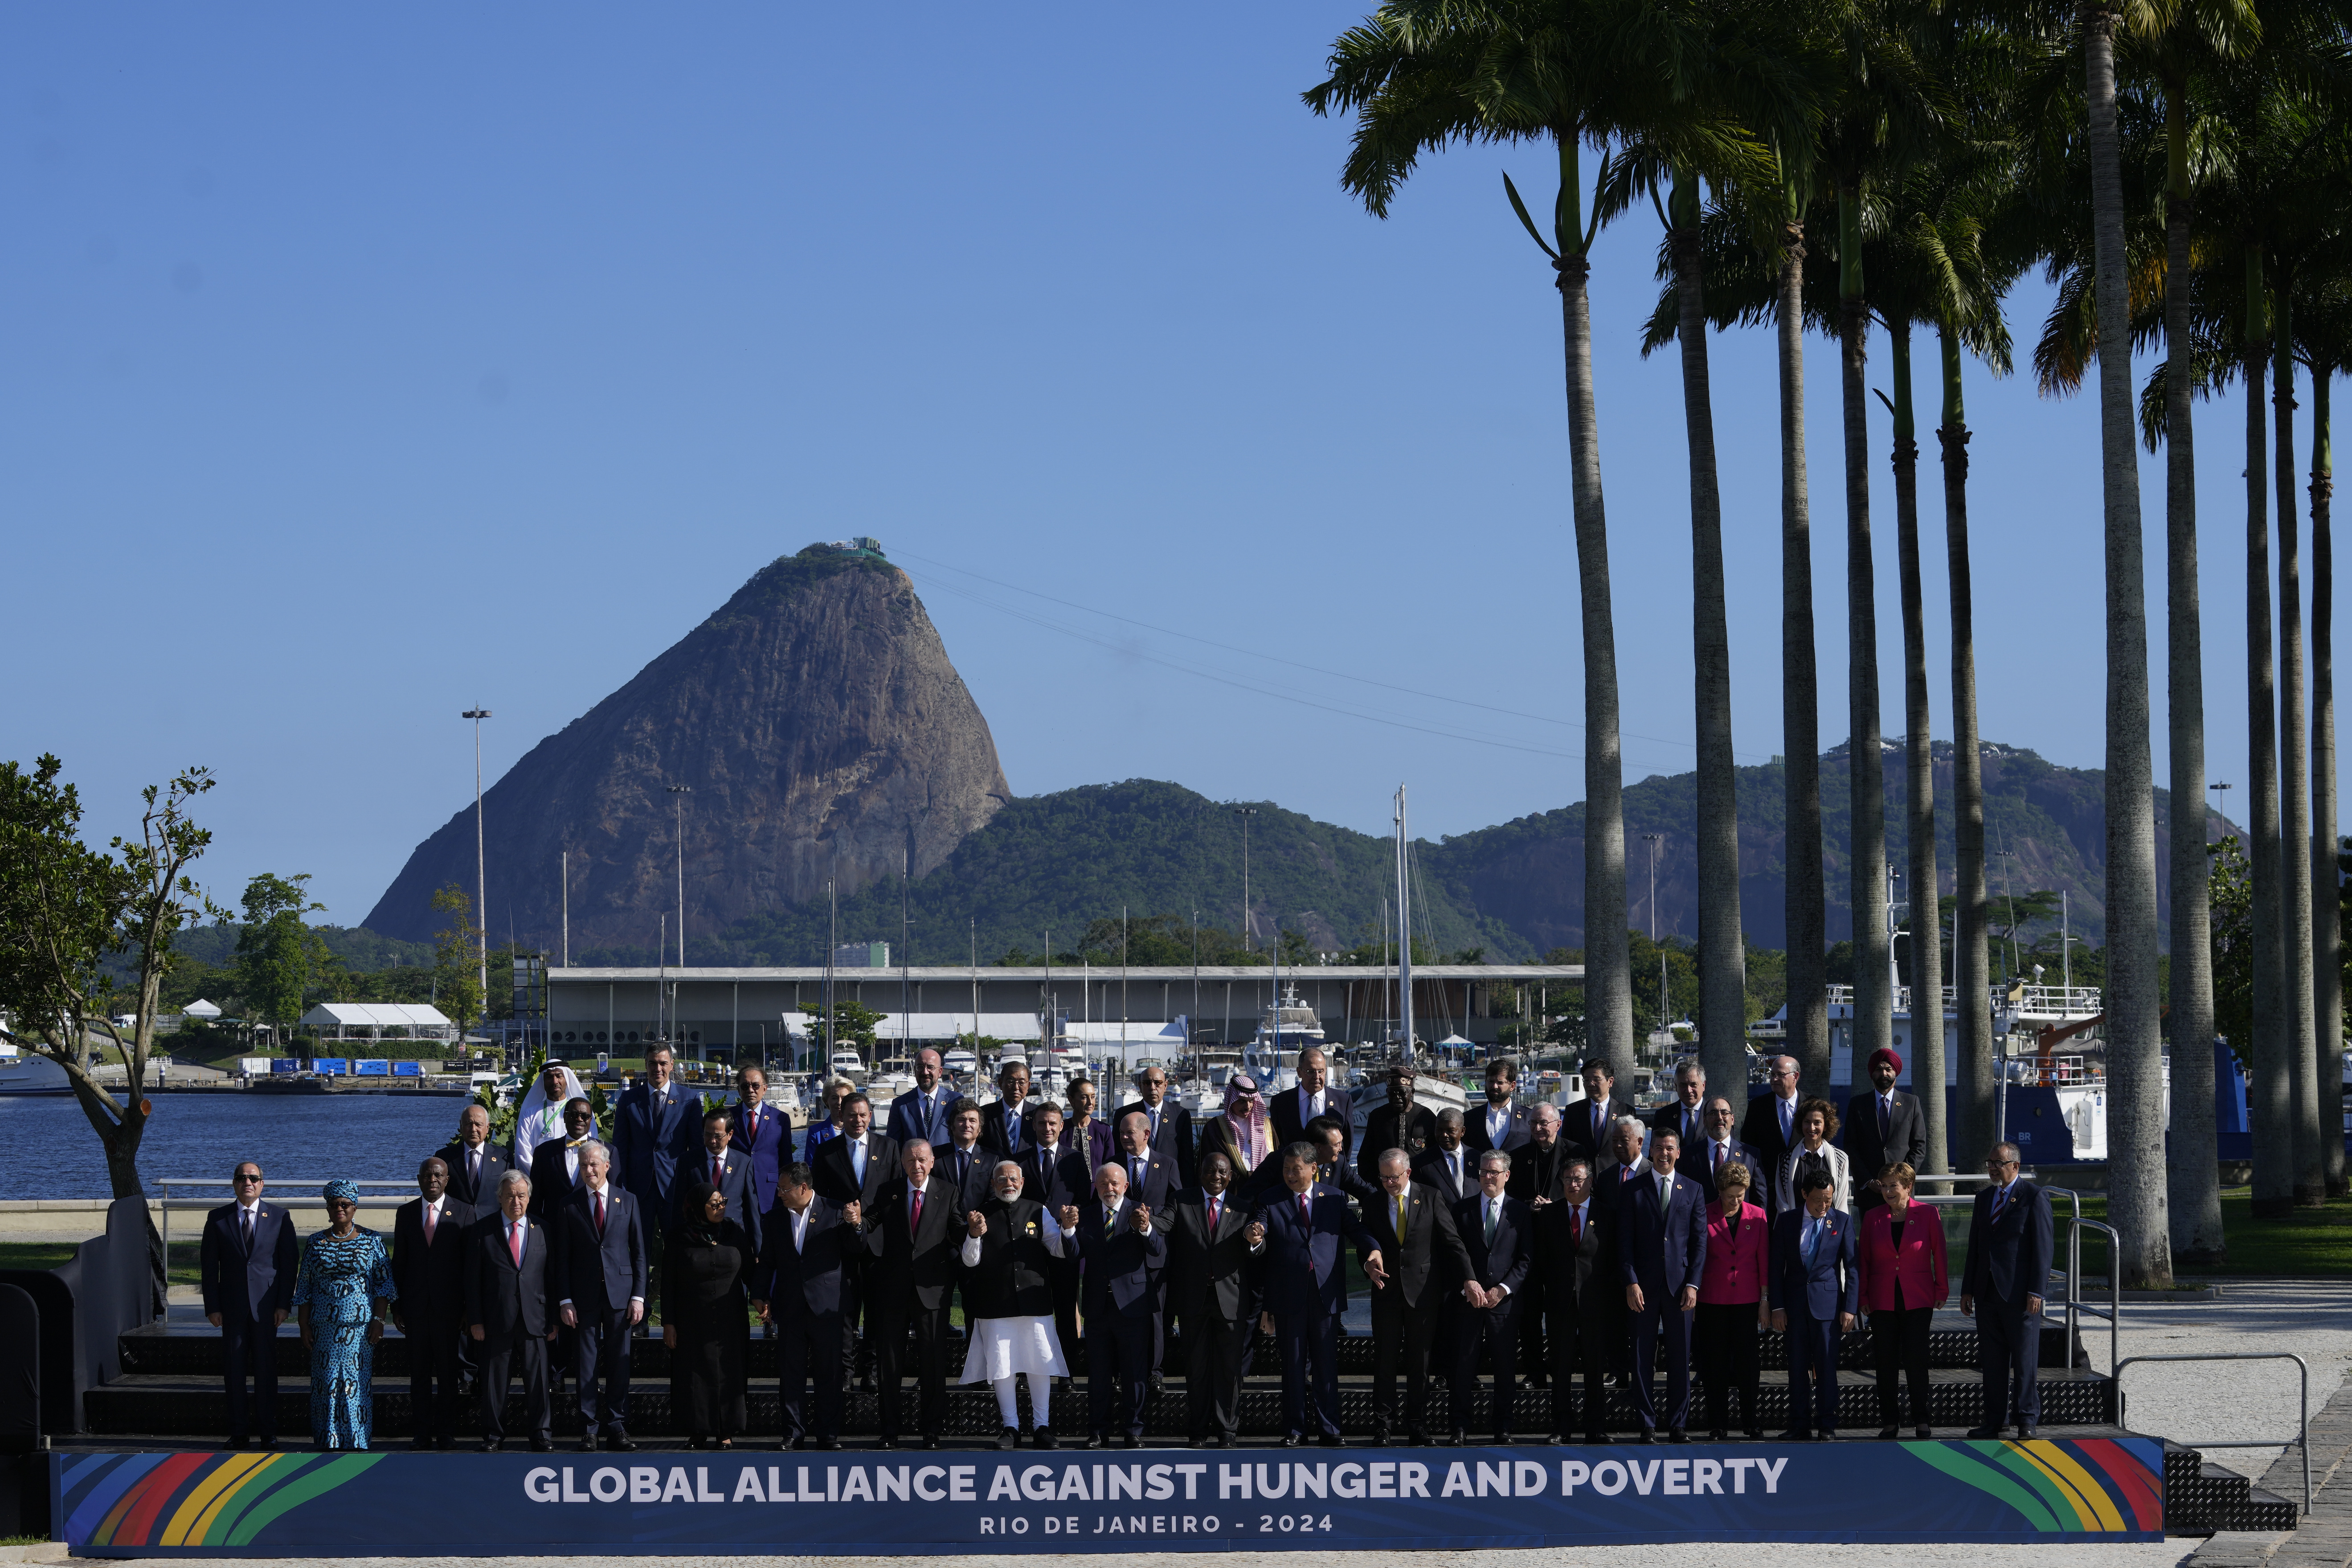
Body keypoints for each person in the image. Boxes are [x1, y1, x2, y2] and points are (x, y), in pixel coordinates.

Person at [1246, 1143, 1380, 1449]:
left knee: (1325, 1365)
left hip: (1325, 1294)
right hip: (1287, 1295)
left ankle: (1330, 1428)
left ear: (1313, 1168)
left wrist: (1373, 1249)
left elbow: (1355, 1229)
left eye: (1296, 1168)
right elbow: (1258, 1229)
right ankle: (1295, 1428)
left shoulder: (1333, 1198)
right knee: (1293, 1365)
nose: (1290, 1174)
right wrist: (1253, 1235)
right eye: (1286, 1169)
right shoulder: (1270, 1197)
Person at [1361, 1147, 1471, 1445]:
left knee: (1419, 1365)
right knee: (1384, 1362)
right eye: (1383, 1177)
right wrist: (1367, 1263)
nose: (1388, 1183)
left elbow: (1452, 1241)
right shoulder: (1372, 1202)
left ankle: (1416, 1424)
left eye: (1393, 1177)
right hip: (1385, 1292)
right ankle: (1383, 1426)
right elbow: (1364, 1242)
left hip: (1422, 1295)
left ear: (1407, 1172)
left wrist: (1469, 1277)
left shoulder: (1431, 1197)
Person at [957, 1161, 1070, 1449]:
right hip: (996, 1304)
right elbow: (970, 1260)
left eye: (1013, 1178)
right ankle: (1011, 1427)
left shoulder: (1038, 1210)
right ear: (994, 1184)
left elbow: (1057, 1248)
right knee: (1002, 1366)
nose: (1008, 1182)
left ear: (1022, 1181)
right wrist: (973, 1234)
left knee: (1039, 1363)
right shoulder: (981, 1214)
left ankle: (1041, 1427)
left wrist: (1067, 1229)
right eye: (1002, 1179)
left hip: (1035, 1303)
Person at [751, 1162, 860, 1451]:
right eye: (778, 1188)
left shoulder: (836, 1210)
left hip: (827, 1307)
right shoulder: (774, 1218)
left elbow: (856, 1249)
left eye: (784, 1189)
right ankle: (793, 1433)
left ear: (803, 1187)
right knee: (791, 1375)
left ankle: (828, 1434)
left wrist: (855, 1224)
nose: (779, 1194)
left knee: (829, 1373)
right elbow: (767, 1259)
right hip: (790, 1307)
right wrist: (759, 1294)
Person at [862, 1140, 959, 1449]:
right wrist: (855, 1221)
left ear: (932, 1162)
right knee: (889, 1365)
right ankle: (890, 1430)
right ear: (902, 1163)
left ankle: (931, 1430)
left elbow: (958, 1231)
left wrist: (973, 1230)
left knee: (933, 1364)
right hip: (893, 1290)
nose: (916, 1165)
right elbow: (869, 1222)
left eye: (922, 1160)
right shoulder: (887, 1191)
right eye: (910, 1160)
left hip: (932, 1290)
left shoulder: (948, 1192)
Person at [552, 1140, 646, 1452]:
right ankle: (589, 1428)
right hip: (583, 1299)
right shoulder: (569, 1204)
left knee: (620, 1363)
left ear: (607, 1166)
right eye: (583, 1165)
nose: (588, 1170)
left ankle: (617, 1426)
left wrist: (639, 1296)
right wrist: (565, 1299)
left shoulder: (628, 1200)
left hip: (621, 1297)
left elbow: (639, 1255)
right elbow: (561, 1258)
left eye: (593, 1164)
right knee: (586, 1365)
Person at [290, 1179, 396, 1450]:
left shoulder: (372, 1240)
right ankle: (329, 1441)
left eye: (345, 1204)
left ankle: (357, 1442)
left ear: (355, 1207)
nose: (340, 1208)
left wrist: (379, 1321)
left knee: (356, 1385)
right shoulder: (315, 1242)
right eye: (334, 1204)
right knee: (326, 1385)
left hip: (360, 1329)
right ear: (327, 1208)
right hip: (324, 1328)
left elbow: (384, 1284)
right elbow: (305, 1286)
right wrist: (303, 1325)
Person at [1066, 1162, 1165, 1449]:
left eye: (1115, 1184)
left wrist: (1145, 1229)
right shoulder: (1085, 1216)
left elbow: (1158, 1250)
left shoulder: (1140, 1211)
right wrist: (1070, 1231)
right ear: (1096, 1187)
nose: (1109, 1189)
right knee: (1098, 1374)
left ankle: (1134, 1431)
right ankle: (1098, 1431)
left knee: (1135, 1373)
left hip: (1133, 1307)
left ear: (1125, 1186)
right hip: (1098, 1307)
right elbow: (1073, 1256)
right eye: (1104, 1184)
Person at [199, 1160, 297, 1450]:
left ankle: (268, 1431)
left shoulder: (279, 1217)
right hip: (231, 1308)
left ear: (262, 1184)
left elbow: (288, 1265)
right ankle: (239, 1431)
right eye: (242, 1178)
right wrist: (212, 1306)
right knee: (234, 1371)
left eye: (253, 1178)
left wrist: (284, 1304)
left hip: (267, 1309)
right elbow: (208, 1267)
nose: (248, 1182)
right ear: (234, 1183)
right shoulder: (218, 1218)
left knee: (266, 1371)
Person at [1166, 1151, 1259, 1448]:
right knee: (1196, 1368)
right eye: (1210, 1171)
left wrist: (1256, 1241)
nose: (1216, 1177)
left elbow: (1255, 1247)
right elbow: (1163, 1224)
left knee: (1230, 1371)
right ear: (1200, 1172)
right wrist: (1145, 1223)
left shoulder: (1244, 1208)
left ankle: (1227, 1430)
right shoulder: (1182, 1200)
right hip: (1193, 1300)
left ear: (1230, 1175)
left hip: (1230, 1302)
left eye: (1222, 1172)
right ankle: (1197, 1430)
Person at [1618, 1129, 1706, 1442]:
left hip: (1680, 1287)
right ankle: (1646, 1422)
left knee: (1680, 1357)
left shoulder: (1693, 1189)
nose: (1664, 1154)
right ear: (1649, 1150)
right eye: (1658, 1148)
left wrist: (1693, 1285)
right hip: (1642, 1287)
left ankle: (1678, 1423)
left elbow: (1699, 1243)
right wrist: (1631, 1282)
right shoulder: (1632, 1189)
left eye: (1669, 1148)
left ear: (1678, 1152)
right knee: (1642, 1357)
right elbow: (1624, 1242)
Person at [1960, 1142, 2053, 1439]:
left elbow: (2043, 1248)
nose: (1991, 1167)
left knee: (2024, 1361)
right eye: (1989, 1162)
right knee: (1992, 1362)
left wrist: (2036, 1290)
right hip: (1987, 1293)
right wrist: (1967, 1290)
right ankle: (1994, 1420)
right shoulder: (1983, 1198)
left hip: (2019, 1295)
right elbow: (1975, 1246)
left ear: (2014, 1166)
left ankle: (2026, 1418)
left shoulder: (2034, 1196)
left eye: (1997, 1163)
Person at [465, 1170, 556, 1452]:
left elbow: (552, 1278)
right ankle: (494, 1435)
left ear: (529, 1198)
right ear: (500, 1198)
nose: (515, 1201)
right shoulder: (482, 1230)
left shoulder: (543, 1229)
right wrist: (476, 1321)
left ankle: (541, 1434)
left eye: (521, 1195)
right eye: (509, 1196)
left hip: (536, 1319)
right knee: (494, 1381)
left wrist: (553, 1320)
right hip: (496, 1319)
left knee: (539, 1381)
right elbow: (472, 1281)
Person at [613, 1045, 702, 1322]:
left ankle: (676, 1315)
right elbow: (620, 1149)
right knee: (639, 1250)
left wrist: (694, 1191)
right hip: (638, 1190)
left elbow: (696, 1149)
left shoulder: (689, 1100)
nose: (658, 1069)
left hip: (675, 1190)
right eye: (653, 1063)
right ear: (646, 1065)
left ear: (672, 1065)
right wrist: (620, 1189)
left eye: (663, 1063)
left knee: (678, 1251)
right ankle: (640, 1312)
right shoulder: (629, 1100)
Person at [1859, 1161, 1948, 1439]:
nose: (1887, 1191)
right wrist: (1863, 1295)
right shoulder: (1872, 1217)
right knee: (1885, 1363)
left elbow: (1940, 1253)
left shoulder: (1928, 1214)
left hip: (1918, 1298)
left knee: (1916, 1360)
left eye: (1893, 1186)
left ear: (1908, 1187)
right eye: (1883, 1186)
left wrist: (1941, 1289)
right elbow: (1863, 1260)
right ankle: (1890, 1421)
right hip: (1882, 1299)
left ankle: (1922, 1419)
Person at [389, 1157, 473, 1449]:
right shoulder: (406, 1212)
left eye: (438, 1175)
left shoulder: (464, 1212)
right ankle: (422, 1431)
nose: (432, 1180)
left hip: (449, 1311)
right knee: (420, 1374)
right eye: (427, 1175)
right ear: (419, 1178)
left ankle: (446, 1431)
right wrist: (396, 1305)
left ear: (447, 1179)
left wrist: (467, 1309)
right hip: (414, 1308)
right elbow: (399, 1261)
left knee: (449, 1375)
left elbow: (469, 1267)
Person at [664, 1178, 753, 1449]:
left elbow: (751, 1271)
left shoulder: (735, 1232)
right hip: (692, 1320)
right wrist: (668, 1323)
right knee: (695, 1375)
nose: (721, 1208)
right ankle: (698, 1430)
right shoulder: (679, 1237)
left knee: (729, 1373)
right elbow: (668, 1283)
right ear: (697, 1207)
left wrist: (762, 1300)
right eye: (714, 1204)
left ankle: (725, 1431)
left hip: (730, 1319)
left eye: (723, 1202)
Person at [1771, 1167, 1858, 1441]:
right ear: (1804, 1194)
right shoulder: (1786, 1222)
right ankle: (1799, 1424)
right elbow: (1776, 1268)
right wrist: (1777, 1307)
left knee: (1826, 1367)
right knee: (1797, 1368)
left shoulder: (1842, 1222)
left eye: (1829, 1200)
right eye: (1819, 1199)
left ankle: (1826, 1425)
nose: (1824, 1205)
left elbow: (1852, 1268)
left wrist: (1850, 1308)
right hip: (1794, 1307)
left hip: (1828, 1307)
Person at [1533, 1157, 1616, 1445]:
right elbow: (1540, 1260)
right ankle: (1562, 1426)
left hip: (1595, 1303)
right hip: (1559, 1302)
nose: (1572, 1184)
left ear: (1590, 1181)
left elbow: (1610, 1261)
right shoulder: (1549, 1215)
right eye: (1567, 1178)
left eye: (1578, 1178)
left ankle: (1595, 1426)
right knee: (1560, 1367)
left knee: (1595, 1367)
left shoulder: (1606, 1215)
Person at [1450, 1150, 1531, 1445]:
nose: (1487, 1176)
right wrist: (1466, 1285)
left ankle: (1503, 1427)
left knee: (1504, 1367)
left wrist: (1503, 1289)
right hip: (1467, 1302)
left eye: (1493, 1172)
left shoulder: (1520, 1212)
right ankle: (1459, 1426)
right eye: (1483, 1171)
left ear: (1506, 1175)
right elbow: (1453, 1254)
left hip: (1504, 1305)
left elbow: (1525, 1260)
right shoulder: (1461, 1210)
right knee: (1463, 1366)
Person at [1693, 1160, 1769, 1441]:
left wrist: (1764, 1300)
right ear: (1720, 1190)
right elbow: (1698, 1259)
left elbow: (1764, 1260)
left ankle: (1751, 1423)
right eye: (1731, 1195)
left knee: (1749, 1365)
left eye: (1741, 1195)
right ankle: (1718, 1424)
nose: (1736, 1201)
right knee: (1715, 1365)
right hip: (1713, 1301)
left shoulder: (1758, 1216)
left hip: (1748, 1301)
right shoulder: (1703, 1214)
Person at [1019, 1102, 1088, 1368]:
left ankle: (1066, 1372)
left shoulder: (1074, 1159)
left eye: (1052, 1124)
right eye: (1041, 1123)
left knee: (1065, 1310)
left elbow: (1085, 1198)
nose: (1047, 1128)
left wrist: (1073, 1215)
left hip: (1064, 1242)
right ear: (1033, 1125)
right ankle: (1029, 1372)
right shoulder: (1020, 1159)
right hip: (1030, 1246)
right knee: (1031, 1312)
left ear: (1062, 1126)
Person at [1506, 1103, 1567, 1384]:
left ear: (1558, 1124)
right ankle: (1535, 1371)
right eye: (1533, 1124)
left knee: (1558, 1313)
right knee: (1529, 1314)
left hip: (1561, 1243)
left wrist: (1554, 1206)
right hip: (1528, 1242)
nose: (1538, 1129)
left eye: (1544, 1123)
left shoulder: (1574, 1153)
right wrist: (1528, 1205)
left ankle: (1560, 1368)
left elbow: (1586, 1192)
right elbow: (1509, 1199)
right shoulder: (1518, 1157)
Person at [1843, 1049, 1927, 1215]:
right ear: (1871, 1074)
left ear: (1896, 1072)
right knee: (1871, 1241)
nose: (1884, 1073)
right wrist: (1868, 1181)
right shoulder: (1858, 1105)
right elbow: (1851, 1147)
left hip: (1902, 1192)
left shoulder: (1911, 1103)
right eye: (1879, 1070)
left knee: (1903, 1240)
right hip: (1869, 1193)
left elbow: (1919, 1146)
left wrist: (1901, 1179)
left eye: (1888, 1069)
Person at [679, 1108, 763, 1251]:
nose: (712, 1141)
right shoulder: (688, 1161)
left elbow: (751, 1209)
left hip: (734, 1240)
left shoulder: (744, 1163)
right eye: (707, 1134)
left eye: (718, 1136)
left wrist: (758, 1249)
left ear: (730, 1135)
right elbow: (679, 1204)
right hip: (698, 1239)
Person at [727, 1064, 794, 1219]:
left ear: (764, 1089)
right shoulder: (728, 1118)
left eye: (756, 1085)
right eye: (745, 1086)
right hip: (737, 1194)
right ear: (739, 1090)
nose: (750, 1090)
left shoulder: (781, 1119)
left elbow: (787, 1161)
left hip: (770, 1195)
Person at [1195, 1073, 1275, 1198]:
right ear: (1231, 1100)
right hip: (1230, 1196)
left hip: (1265, 1193)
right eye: (1242, 1101)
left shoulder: (1267, 1126)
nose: (1248, 1107)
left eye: (1251, 1101)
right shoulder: (1215, 1128)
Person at [1120, 1063, 1200, 1187]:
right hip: (1134, 1186)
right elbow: (1118, 1153)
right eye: (1147, 1083)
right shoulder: (1125, 1114)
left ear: (1165, 1086)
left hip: (1169, 1186)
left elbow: (1187, 1160)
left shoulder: (1180, 1116)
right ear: (1140, 1086)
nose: (1153, 1087)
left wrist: (1187, 1194)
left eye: (1158, 1083)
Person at [1268, 1047, 1350, 1166]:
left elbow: (1347, 1143)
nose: (1317, 1077)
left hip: (1330, 1176)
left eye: (1321, 1071)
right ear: (1299, 1072)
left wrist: (1340, 1171)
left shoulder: (1343, 1101)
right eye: (1311, 1072)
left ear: (1326, 1071)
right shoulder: (1281, 1102)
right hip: (1294, 1176)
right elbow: (1276, 1143)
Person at [1740, 1055, 1806, 1201]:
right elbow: (1748, 1148)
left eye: (1780, 1075)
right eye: (1772, 1074)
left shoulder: (1811, 1105)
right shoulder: (1757, 1107)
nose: (1774, 1079)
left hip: (1804, 1190)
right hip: (1768, 1191)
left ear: (1795, 1077)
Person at [1357, 1066, 1437, 1183]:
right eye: (1392, 1093)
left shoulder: (1426, 1117)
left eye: (1402, 1093)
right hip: (1385, 1186)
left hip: (1419, 1187)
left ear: (1412, 1092)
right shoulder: (1377, 1117)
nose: (1397, 1098)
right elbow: (1365, 1157)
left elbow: (1436, 1155)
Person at [1773, 1098, 1851, 1216]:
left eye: (1817, 1122)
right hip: (1795, 1228)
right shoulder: (1786, 1159)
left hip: (1829, 1228)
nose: (1812, 1128)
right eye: (1807, 1122)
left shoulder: (1841, 1159)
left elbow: (1841, 1204)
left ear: (1826, 1125)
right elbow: (1782, 1203)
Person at [527, 1097, 597, 1220]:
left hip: (592, 1231)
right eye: (574, 1114)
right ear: (565, 1117)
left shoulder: (607, 1151)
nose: (579, 1119)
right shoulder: (544, 1152)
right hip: (554, 1229)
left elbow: (613, 1197)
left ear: (591, 1120)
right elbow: (535, 1201)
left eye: (585, 1116)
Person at [511, 1060, 590, 1168]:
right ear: (543, 1081)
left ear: (567, 1079)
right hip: (540, 1181)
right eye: (549, 1077)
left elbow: (591, 1145)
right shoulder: (529, 1114)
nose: (555, 1081)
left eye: (559, 1076)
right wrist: (544, 1178)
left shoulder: (582, 1114)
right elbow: (523, 1154)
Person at [435, 1104, 510, 1210]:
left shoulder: (503, 1157)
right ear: (461, 1126)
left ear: (487, 1128)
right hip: (456, 1222)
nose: (473, 1129)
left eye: (479, 1125)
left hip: (490, 1223)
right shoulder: (445, 1158)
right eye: (469, 1124)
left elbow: (509, 1194)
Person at [886, 1047, 962, 1150]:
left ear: (940, 1072)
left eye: (930, 1067)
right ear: (915, 1070)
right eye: (920, 1067)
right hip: (914, 1165)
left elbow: (963, 1138)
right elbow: (893, 1147)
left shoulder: (955, 1101)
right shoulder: (900, 1105)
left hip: (945, 1165)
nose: (925, 1072)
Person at [1692, 1096, 1768, 1194]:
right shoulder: (1689, 1155)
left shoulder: (1751, 1155)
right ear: (1705, 1120)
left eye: (1725, 1113)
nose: (1719, 1118)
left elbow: (1760, 1196)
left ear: (1732, 1119)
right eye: (1713, 1113)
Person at [1563, 1058, 1630, 1164]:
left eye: (1596, 1079)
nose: (1591, 1084)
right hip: (1583, 1177)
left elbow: (1631, 1150)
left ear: (1610, 1081)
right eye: (1586, 1080)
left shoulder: (1626, 1111)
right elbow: (1566, 1148)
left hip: (1614, 1177)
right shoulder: (1573, 1111)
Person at [1109, 1108, 1178, 1211]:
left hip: (1156, 1225)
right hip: (1122, 1226)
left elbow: (1175, 1203)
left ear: (1146, 1134)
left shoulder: (1168, 1165)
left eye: (1130, 1132)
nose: (1124, 1137)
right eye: (1121, 1132)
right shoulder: (1112, 1165)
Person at [934, 1100, 994, 1211]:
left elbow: (993, 1197)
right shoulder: (936, 1157)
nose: (967, 1125)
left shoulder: (992, 1159)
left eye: (973, 1121)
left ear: (980, 1128)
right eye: (961, 1120)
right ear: (952, 1126)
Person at [1464, 1058, 1532, 1155]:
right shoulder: (1469, 1119)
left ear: (1512, 1086)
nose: (1494, 1086)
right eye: (1491, 1081)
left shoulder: (1529, 1118)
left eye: (1500, 1083)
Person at [1412, 1109, 1475, 1203]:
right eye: (1439, 1130)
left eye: (1451, 1131)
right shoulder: (1421, 1163)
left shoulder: (1478, 1159)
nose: (1444, 1135)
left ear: (1462, 1131)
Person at [978, 1059, 1036, 1158]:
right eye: (1011, 1081)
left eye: (1022, 1082)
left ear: (1028, 1086)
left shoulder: (1037, 1114)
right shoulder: (984, 1114)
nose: (1016, 1087)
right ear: (1001, 1084)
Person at [1649, 1060, 1710, 1155]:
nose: (1689, 1090)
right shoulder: (1663, 1116)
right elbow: (1654, 1154)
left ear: (1703, 1085)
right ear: (1676, 1086)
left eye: (1693, 1085)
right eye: (1683, 1085)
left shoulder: (1716, 1115)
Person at [1062, 1077, 1114, 1170]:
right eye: (1084, 1098)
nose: (1091, 1102)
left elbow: (1109, 1166)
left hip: (1096, 1185)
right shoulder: (1061, 1129)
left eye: (1093, 1097)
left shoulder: (1103, 1130)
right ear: (1071, 1100)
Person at [1598, 1116, 1651, 1205]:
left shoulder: (1654, 1173)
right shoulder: (1605, 1177)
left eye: (1624, 1140)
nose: (1618, 1145)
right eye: (1615, 1140)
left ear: (1640, 1143)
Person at [801, 1077, 856, 1154]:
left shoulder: (861, 1129)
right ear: (826, 1101)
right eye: (834, 1098)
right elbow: (811, 1165)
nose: (839, 1102)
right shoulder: (816, 1132)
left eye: (844, 1098)